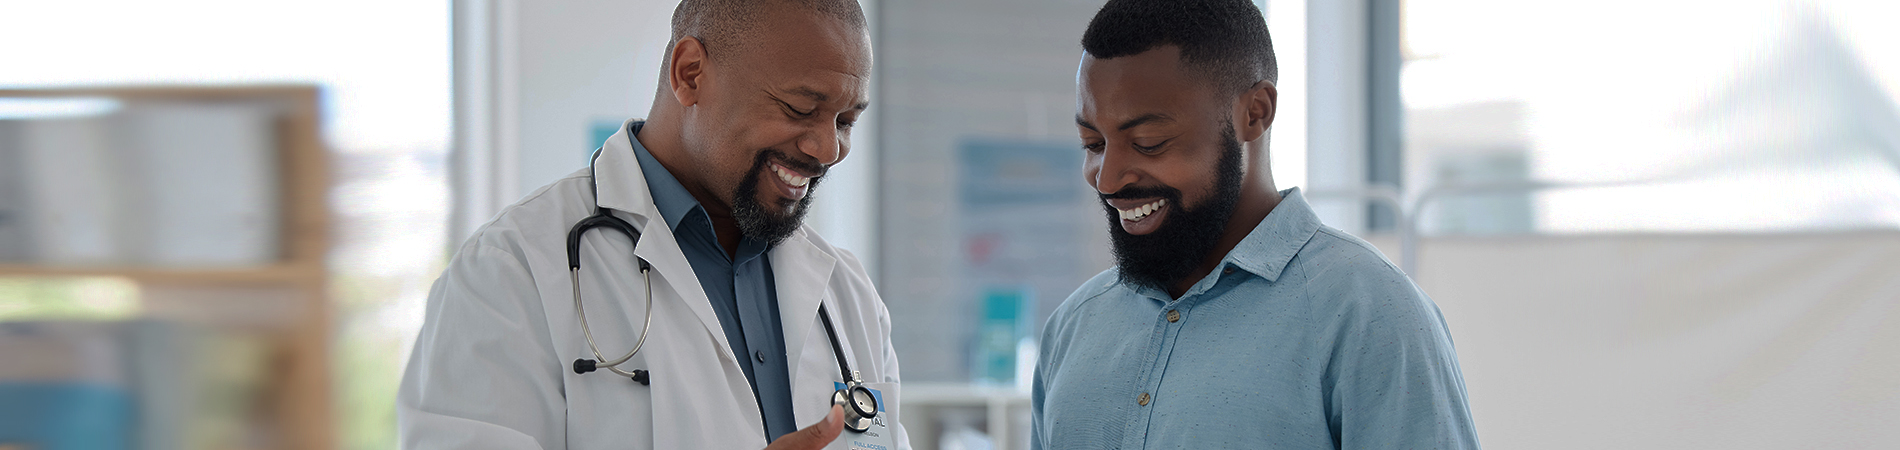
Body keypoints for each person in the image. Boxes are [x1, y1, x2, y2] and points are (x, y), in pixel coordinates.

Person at [398, 1, 908, 449]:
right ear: (690, 74)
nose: (828, 149)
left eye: (845, 122)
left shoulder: (849, 296)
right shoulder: (511, 273)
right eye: (800, 109)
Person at [1031, 0, 1480, 448]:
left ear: (1255, 112)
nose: (1107, 179)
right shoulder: (1073, 327)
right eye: (1093, 143)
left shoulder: (1368, 312)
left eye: (1148, 143)